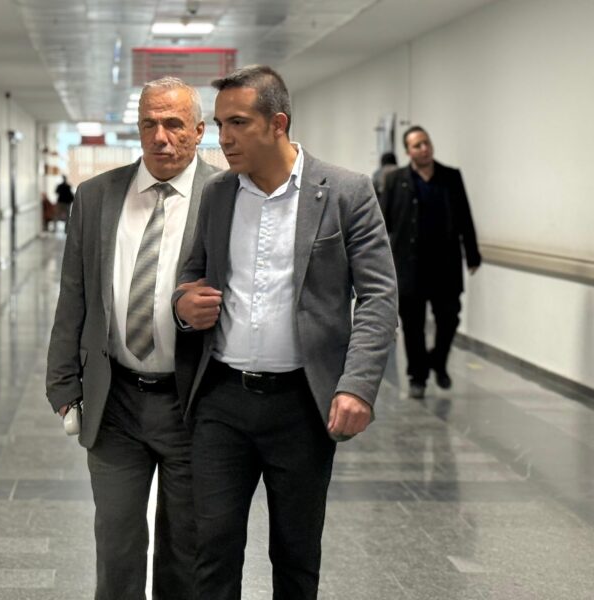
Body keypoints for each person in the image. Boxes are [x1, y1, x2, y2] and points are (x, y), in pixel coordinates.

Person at [174, 65, 398, 599]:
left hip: (302, 404)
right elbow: (192, 273)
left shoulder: (345, 192)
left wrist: (357, 385)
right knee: (213, 550)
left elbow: (379, 296)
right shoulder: (218, 194)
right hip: (222, 401)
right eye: (219, 124)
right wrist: (184, 303)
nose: (224, 138)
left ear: (278, 123)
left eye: (238, 123)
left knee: (296, 553)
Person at [45, 77, 218, 600]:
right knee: (117, 544)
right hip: (115, 400)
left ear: (199, 131)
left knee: (185, 549)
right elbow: (74, 294)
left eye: (174, 124)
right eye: (149, 124)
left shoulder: (226, 197)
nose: (160, 137)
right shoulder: (96, 197)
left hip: (193, 403)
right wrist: (62, 385)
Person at [380, 126, 480, 399]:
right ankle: (418, 376)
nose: (424, 149)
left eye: (426, 143)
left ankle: (437, 359)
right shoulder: (396, 180)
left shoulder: (450, 177)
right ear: (408, 151)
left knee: (449, 318)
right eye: (417, 145)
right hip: (410, 266)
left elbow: (465, 216)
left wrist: (472, 254)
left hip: (445, 266)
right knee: (413, 326)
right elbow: (383, 223)